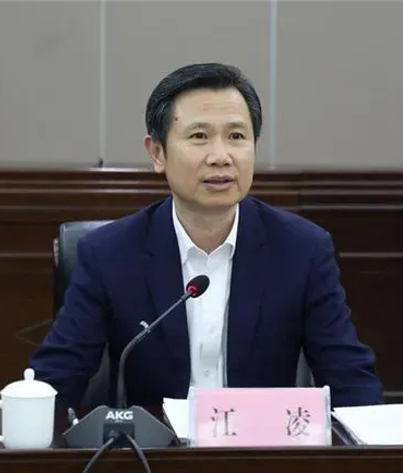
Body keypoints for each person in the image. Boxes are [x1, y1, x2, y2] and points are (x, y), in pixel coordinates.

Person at [30, 63, 383, 408]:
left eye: (236, 137)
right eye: (199, 136)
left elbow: (351, 381)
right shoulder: (109, 254)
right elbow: (55, 382)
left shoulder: (302, 250)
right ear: (157, 153)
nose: (220, 156)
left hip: (260, 443)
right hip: (154, 445)